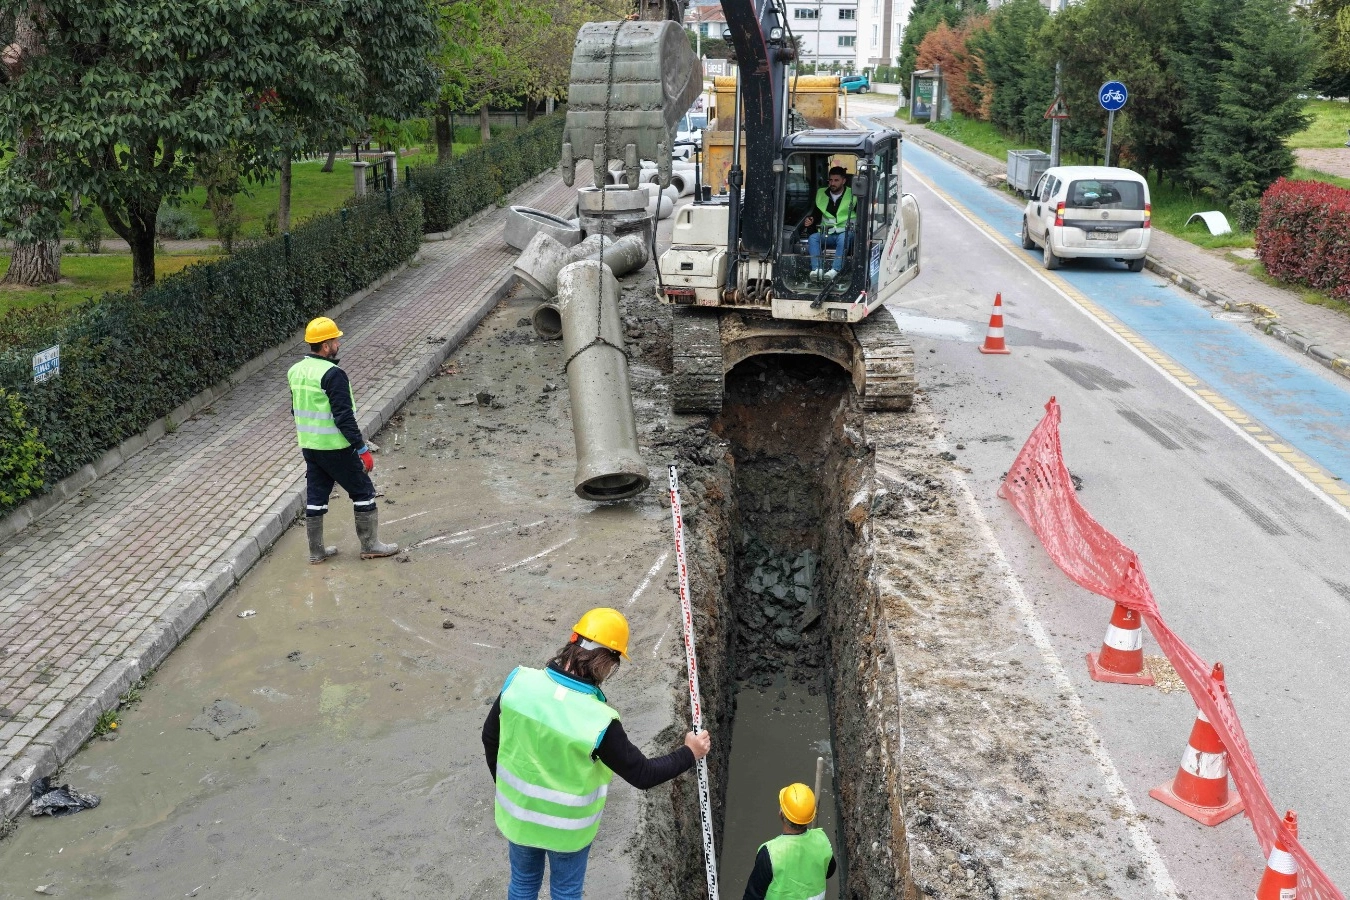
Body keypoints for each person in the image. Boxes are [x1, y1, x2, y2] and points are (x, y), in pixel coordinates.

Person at [482, 608, 712, 900]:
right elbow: (643, 774)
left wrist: (506, 788)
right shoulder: (599, 721)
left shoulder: (518, 682)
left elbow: (490, 738)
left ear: (573, 638)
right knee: (565, 892)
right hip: (567, 830)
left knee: (523, 884)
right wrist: (690, 752)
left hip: (519, 812)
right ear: (608, 663)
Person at [287, 316, 398, 564]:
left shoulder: (295, 371)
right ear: (325, 346)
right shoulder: (333, 374)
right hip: (336, 447)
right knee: (363, 491)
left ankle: (316, 552)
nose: (338, 343)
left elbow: (295, 409)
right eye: (335, 340)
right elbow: (343, 417)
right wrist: (361, 448)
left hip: (310, 446)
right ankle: (370, 545)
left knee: (316, 496)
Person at [741, 783, 836, 900]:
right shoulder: (822, 840)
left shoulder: (770, 853)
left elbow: (752, 896)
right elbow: (829, 872)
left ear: (781, 814)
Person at [804, 166, 856, 282]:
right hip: (828, 233)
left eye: (836, 180)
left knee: (843, 239)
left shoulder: (853, 194)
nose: (832, 183)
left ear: (844, 181)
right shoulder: (821, 193)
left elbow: (861, 216)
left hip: (846, 232)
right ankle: (817, 270)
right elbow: (817, 212)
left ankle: (835, 270)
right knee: (813, 238)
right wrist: (811, 219)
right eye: (830, 180)